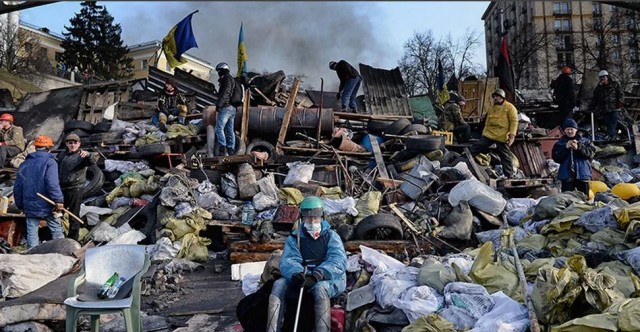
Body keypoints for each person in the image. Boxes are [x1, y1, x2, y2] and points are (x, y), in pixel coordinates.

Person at [266, 196, 347, 332]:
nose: (312, 221)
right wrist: (296, 273)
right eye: (308, 218)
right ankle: (272, 329)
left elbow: (338, 260)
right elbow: (288, 260)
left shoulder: (331, 236)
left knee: (320, 289)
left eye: (316, 218)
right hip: (304, 275)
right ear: (302, 219)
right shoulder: (295, 238)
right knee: (279, 285)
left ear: (322, 217)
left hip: (328, 277)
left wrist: (318, 275)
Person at [13, 135, 65, 249]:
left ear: (36, 148)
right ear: (48, 148)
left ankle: (32, 258)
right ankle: (62, 254)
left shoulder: (24, 164)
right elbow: (52, 183)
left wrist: (20, 204)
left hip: (30, 204)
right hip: (48, 205)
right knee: (56, 231)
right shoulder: (50, 162)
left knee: (32, 234)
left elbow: (17, 187)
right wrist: (58, 200)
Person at [57, 133, 98, 241]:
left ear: (79, 144)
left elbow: (92, 161)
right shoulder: (62, 155)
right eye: (70, 143)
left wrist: (88, 154)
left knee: (74, 216)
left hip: (75, 189)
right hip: (62, 188)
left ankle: (73, 239)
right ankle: (58, 236)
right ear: (66, 144)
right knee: (58, 212)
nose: (73, 145)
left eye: (75, 143)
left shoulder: (82, 155)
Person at [470, 88, 518, 178]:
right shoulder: (491, 108)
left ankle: (510, 175)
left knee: (505, 156)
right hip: (489, 134)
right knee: (476, 147)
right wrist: (484, 134)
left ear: (502, 97)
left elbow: (514, 122)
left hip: (502, 135)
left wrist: (512, 135)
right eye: (494, 96)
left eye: (497, 96)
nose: (495, 98)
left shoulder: (510, 107)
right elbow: (487, 123)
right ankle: (465, 160)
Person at [552, 119, 596, 196]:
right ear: (564, 131)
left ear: (576, 130)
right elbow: (556, 158)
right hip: (566, 176)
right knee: (567, 199)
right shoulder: (559, 143)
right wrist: (565, 148)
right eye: (567, 129)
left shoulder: (586, 142)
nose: (569, 131)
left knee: (584, 199)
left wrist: (579, 147)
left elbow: (590, 154)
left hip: (583, 175)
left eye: (571, 129)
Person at [588, 70, 624, 141]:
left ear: (607, 77)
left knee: (613, 123)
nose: (602, 79)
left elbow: (620, 93)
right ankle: (610, 136)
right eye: (600, 77)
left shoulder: (614, 84)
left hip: (613, 108)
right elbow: (595, 98)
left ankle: (612, 137)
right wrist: (591, 107)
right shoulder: (599, 88)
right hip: (604, 109)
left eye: (603, 77)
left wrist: (620, 101)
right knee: (607, 123)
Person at [214, 62, 237, 157]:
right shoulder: (232, 79)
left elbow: (225, 93)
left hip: (226, 107)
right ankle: (231, 149)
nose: (218, 73)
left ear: (221, 70)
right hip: (233, 108)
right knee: (230, 130)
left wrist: (219, 105)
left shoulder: (226, 79)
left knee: (219, 128)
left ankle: (222, 147)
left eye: (219, 71)